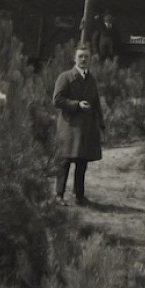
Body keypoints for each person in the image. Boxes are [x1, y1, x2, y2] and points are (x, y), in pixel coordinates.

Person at [52, 44, 104, 206]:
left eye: (86, 57)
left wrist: (101, 125)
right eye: (80, 56)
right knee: (65, 162)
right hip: (69, 127)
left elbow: (96, 104)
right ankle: (59, 195)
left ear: (90, 60)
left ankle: (79, 195)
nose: (83, 59)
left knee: (82, 162)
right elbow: (57, 100)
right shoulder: (66, 77)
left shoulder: (91, 80)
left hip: (86, 128)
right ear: (74, 58)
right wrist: (76, 105)